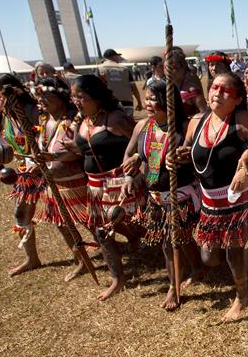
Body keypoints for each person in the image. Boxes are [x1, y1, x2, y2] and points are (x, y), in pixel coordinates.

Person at [172, 72, 248, 321]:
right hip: (210, 201)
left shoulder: (241, 119)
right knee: (209, 258)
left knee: (231, 250)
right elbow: (188, 152)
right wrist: (178, 156)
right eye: (214, 88)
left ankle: (241, 297)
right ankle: (245, 257)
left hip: (237, 198)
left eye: (226, 91)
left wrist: (247, 159)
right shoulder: (197, 121)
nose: (217, 93)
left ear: (238, 98)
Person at [122, 79, 204, 309]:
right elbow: (128, 155)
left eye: (154, 99)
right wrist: (132, 169)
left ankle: (173, 288)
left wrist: (183, 157)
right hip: (155, 197)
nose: (149, 103)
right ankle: (195, 269)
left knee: (172, 242)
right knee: (176, 239)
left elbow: (198, 157)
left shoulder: (185, 127)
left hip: (181, 196)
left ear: (170, 102)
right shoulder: (143, 127)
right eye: (147, 98)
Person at [71, 74, 142, 301]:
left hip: (120, 183)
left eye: (81, 97)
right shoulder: (83, 122)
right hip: (94, 186)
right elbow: (80, 149)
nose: (76, 101)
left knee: (136, 224)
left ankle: (139, 241)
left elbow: (142, 142)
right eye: (73, 97)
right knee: (101, 232)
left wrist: (135, 166)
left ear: (97, 97)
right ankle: (117, 278)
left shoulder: (116, 119)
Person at [31, 76, 93, 282]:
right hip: (53, 183)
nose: (42, 100)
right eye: (39, 96)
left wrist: (55, 157)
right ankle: (81, 260)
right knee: (62, 224)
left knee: (92, 222)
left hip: (76, 182)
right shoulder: (44, 121)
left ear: (60, 97)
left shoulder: (75, 120)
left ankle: (129, 238)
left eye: (46, 95)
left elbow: (79, 151)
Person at [0, 74, 46, 276]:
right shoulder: (7, 115)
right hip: (25, 172)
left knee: (59, 216)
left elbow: (45, 136)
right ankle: (32, 259)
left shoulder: (30, 111)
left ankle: (80, 255)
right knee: (21, 214)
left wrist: (38, 159)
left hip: (43, 169)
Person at [97, 49, 142, 117]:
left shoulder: (99, 68)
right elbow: (134, 87)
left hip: (108, 103)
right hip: (127, 102)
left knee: (111, 124)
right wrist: (139, 102)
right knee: (128, 124)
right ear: (113, 56)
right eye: (117, 56)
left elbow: (95, 87)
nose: (118, 58)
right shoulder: (125, 69)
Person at [167, 46, 207, 116]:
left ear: (182, 67)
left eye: (174, 68)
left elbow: (204, 112)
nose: (169, 72)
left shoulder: (190, 79)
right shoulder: (169, 84)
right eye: (167, 68)